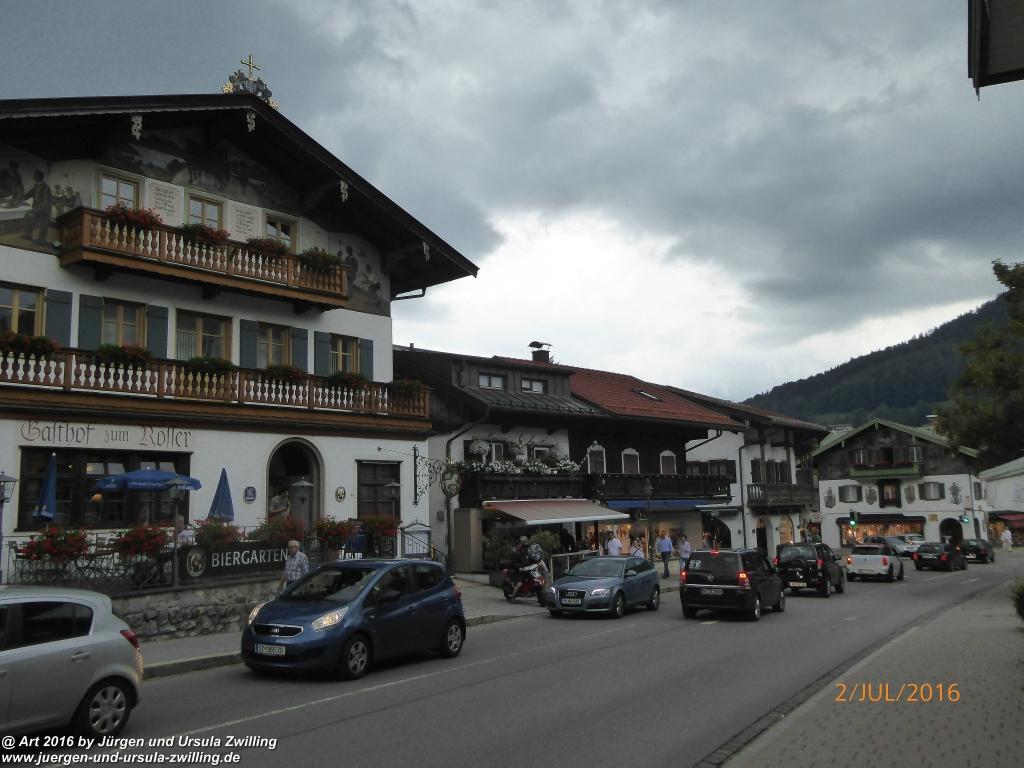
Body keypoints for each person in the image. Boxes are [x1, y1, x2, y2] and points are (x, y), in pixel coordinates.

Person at [510, 535, 531, 600]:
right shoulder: (517, 551)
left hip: (526, 569)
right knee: (519, 584)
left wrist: (538, 561)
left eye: (526, 540)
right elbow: (513, 563)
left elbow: (531, 557)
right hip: (518, 571)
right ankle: (513, 597)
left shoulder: (527, 549)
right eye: (524, 541)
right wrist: (519, 567)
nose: (526, 542)